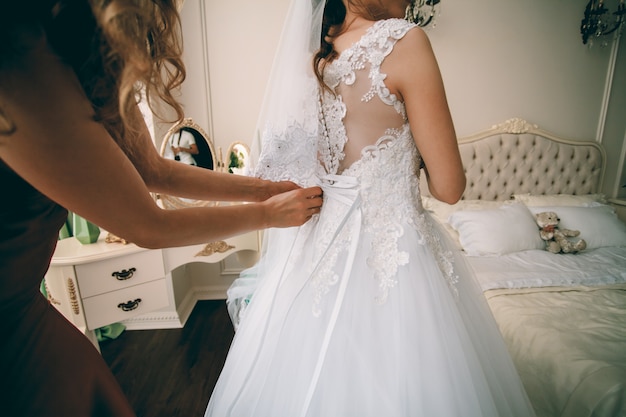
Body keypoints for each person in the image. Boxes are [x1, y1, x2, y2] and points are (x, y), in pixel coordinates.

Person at [205, 0, 537, 416]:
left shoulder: (314, 54)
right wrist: (411, 155)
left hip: (315, 255)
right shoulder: (406, 41)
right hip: (394, 252)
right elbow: (449, 188)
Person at [0, 0, 322, 416]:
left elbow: (155, 171)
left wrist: (263, 190)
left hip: (22, 309)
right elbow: (149, 225)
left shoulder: (89, 54)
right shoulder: (17, 61)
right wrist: (268, 215)